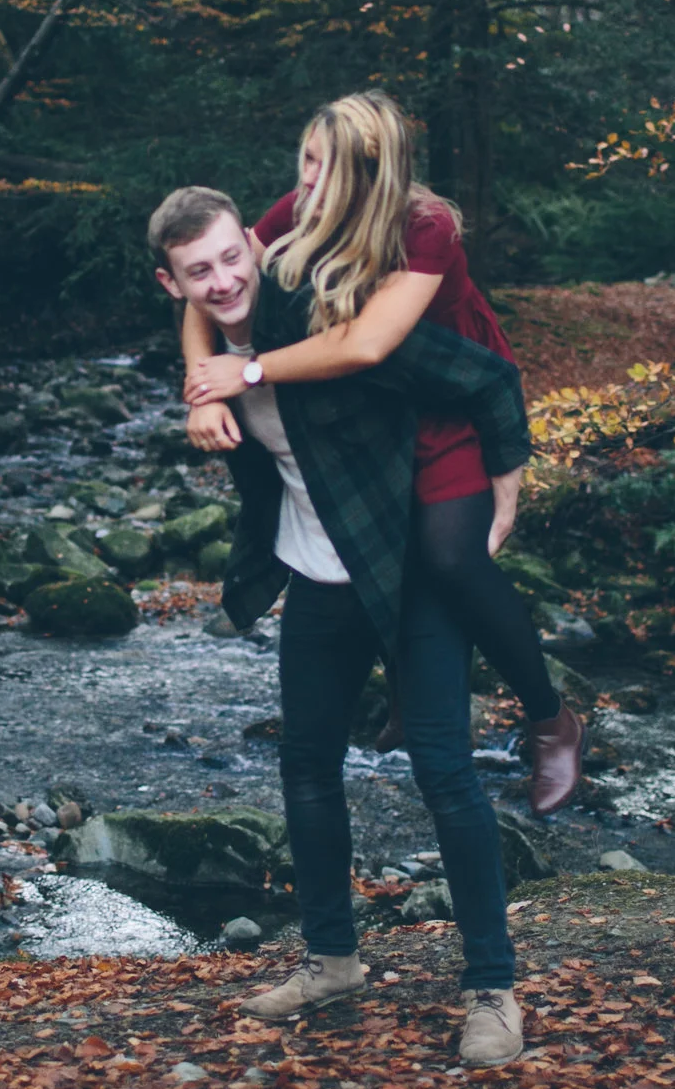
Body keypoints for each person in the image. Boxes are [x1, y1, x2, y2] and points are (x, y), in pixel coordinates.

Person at [148, 185, 529, 1067]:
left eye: (231, 257)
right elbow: (211, 360)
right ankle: (330, 961)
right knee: (307, 764)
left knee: (444, 770)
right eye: (197, 272)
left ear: (254, 242)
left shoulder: (330, 314)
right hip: (318, 575)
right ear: (173, 286)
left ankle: (493, 991)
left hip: (409, 567)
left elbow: (487, 376)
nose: (222, 280)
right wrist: (199, 398)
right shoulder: (208, 342)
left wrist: (498, 505)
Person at [174, 91, 583, 816]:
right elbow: (204, 289)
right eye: (305, 157)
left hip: (447, 402)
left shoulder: (424, 230)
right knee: (363, 539)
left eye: (326, 168)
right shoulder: (299, 208)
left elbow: (368, 343)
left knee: (451, 556)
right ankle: (407, 679)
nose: (308, 179)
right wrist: (203, 387)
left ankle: (550, 717)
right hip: (371, 407)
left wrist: (507, 477)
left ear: (374, 176)